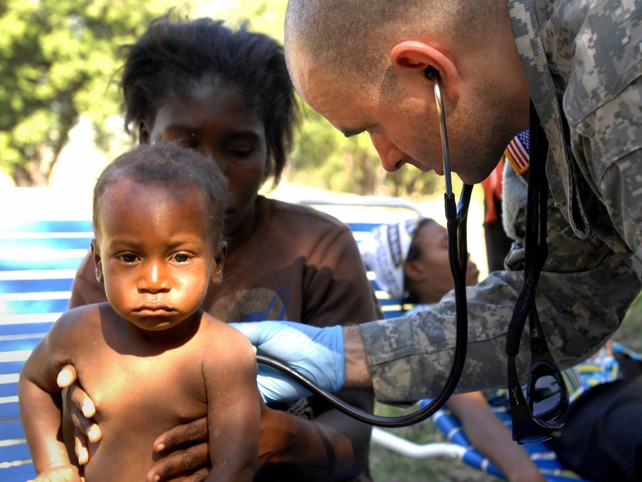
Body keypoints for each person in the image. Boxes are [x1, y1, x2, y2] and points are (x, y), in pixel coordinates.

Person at [231, 0, 642, 409]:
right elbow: (563, 299)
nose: (388, 161)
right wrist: (342, 354)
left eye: (372, 127)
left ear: (428, 70)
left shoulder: (617, 83)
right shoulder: (537, 112)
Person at [60, 15, 379, 482]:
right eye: (184, 143)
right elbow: (66, 402)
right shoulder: (111, 269)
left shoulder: (319, 250)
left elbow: (357, 431)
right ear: (146, 134)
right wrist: (73, 411)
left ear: (270, 151)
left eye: (239, 149)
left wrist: (283, 437)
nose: (209, 172)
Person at [19, 143, 262, 482]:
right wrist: (54, 465)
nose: (154, 281)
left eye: (179, 257)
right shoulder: (77, 332)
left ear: (216, 263)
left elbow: (236, 467)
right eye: (129, 257)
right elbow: (33, 382)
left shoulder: (223, 353)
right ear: (99, 264)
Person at [361, 218, 545, 482]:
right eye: (447, 244)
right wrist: (523, 473)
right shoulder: (430, 336)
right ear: (414, 269)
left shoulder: (483, 305)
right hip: (585, 414)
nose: (465, 249)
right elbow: (472, 411)